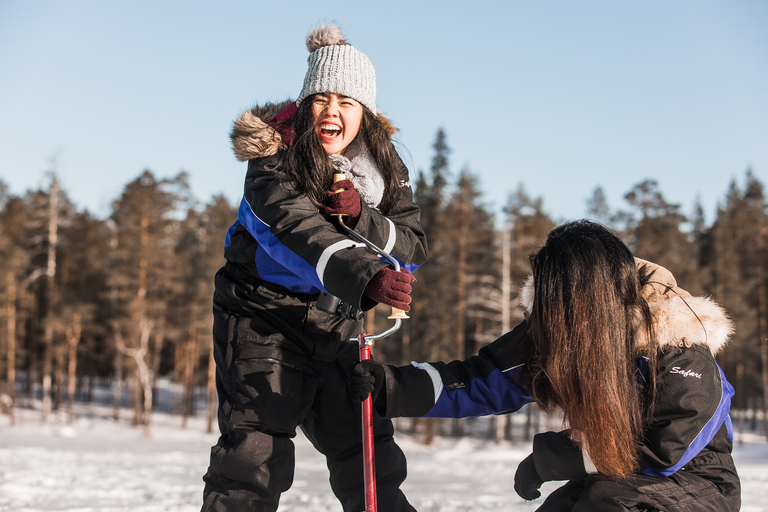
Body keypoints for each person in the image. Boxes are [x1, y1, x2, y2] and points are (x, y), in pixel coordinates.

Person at [350, 220, 740, 511]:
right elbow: (483, 379)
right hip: (612, 478)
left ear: (589, 296)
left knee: (608, 504)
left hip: (698, 484)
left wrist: (548, 458)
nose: (552, 316)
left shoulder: (679, 347)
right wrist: (395, 387)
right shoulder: (565, 329)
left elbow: (663, 451)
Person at [202, 23, 427, 512]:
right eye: (321, 99)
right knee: (253, 459)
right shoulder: (272, 160)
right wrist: (366, 274)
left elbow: (411, 244)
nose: (332, 111)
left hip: (337, 324)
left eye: (346, 102)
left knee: (368, 457)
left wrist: (360, 215)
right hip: (262, 318)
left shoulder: (383, 169)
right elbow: (297, 233)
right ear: (305, 106)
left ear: (364, 113)